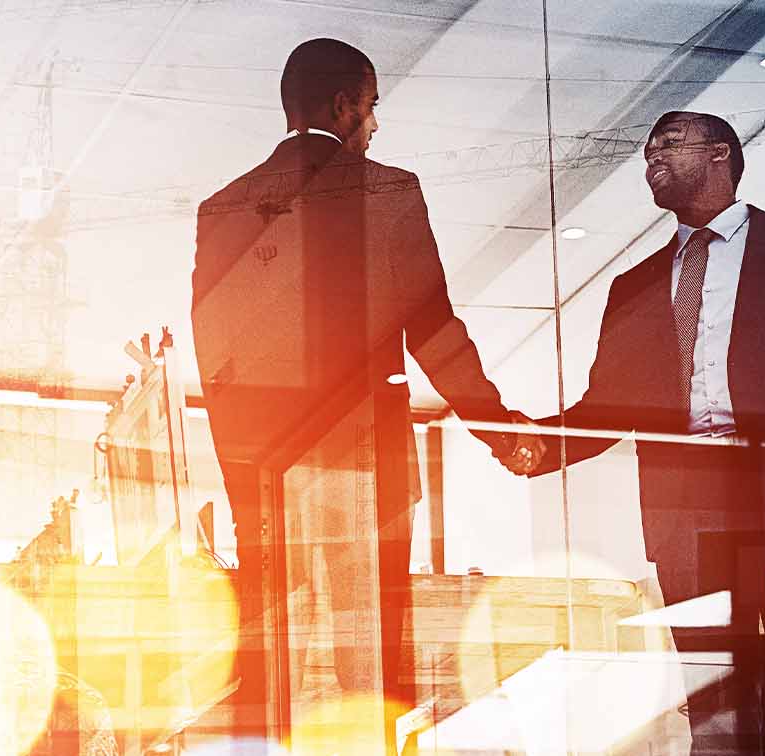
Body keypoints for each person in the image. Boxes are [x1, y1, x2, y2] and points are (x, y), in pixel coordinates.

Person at [190, 37, 543, 749]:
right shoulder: (387, 191)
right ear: (346, 104)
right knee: (373, 656)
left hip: (268, 481)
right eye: (374, 105)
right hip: (364, 470)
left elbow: (215, 366)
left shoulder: (224, 206)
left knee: (273, 655)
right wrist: (499, 429)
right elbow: (435, 331)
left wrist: (245, 489)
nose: (375, 124)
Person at [523, 111, 765, 754]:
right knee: (714, 690)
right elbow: (608, 407)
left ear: (722, 155)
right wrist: (536, 443)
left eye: (669, 142)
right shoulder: (634, 287)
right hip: (686, 505)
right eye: (647, 148)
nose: (651, 154)